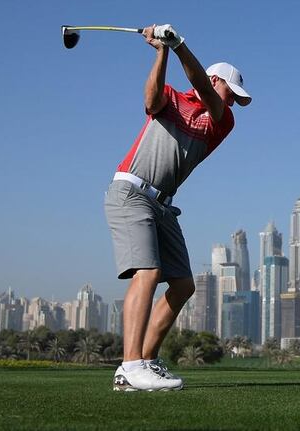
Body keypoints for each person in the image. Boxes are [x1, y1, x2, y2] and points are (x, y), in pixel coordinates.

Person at [105, 24, 251, 391]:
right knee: (149, 273)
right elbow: (151, 102)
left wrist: (180, 45)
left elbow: (206, 90)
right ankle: (129, 366)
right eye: (230, 91)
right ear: (217, 78)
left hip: (164, 206)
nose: (232, 101)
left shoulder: (222, 120)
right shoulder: (171, 98)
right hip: (131, 192)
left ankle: (148, 361)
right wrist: (162, 52)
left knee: (183, 285)